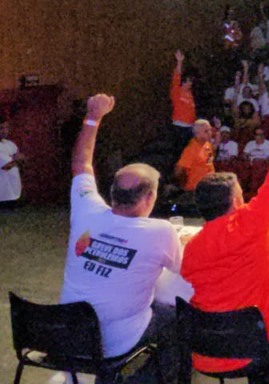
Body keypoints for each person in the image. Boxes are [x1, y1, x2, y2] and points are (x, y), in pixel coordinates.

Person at [181, 98, 269, 374]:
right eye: (241, 193)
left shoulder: (192, 247)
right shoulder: (252, 222)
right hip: (252, 349)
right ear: (234, 201)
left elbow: (229, 271)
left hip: (207, 350)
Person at [59, 94, 181, 383]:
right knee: (176, 318)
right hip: (112, 346)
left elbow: (81, 164)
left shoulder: (86, 208)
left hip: (64, 336)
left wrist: (93, 117)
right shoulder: (161, 232)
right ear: (150, 198)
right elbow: (186, 269)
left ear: (111, 192)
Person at [174, 119, 220, 193]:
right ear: (197, 134)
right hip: (195, 190)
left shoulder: (207, 144)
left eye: (210, 130)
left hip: (209, 187)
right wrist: (184, 186)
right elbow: (179, 170)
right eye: (206, 131)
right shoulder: (191, 149)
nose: (210, 133)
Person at [170, 50, 197, 152]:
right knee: (178, 151)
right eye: (188, 82)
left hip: (189, 127)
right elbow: (177, 75)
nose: (190, 84)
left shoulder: (191, 95)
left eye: (191, 82)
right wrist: (179, 62)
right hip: (179, 126)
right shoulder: (177, 91)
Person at [0, 119, 23, 204]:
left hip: (14, 191)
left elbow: (22, 159)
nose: (4, 131)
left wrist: (16, 159)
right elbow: (6, 166)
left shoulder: (10, 144)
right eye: (1, 128)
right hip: (2, 194)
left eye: (7, 128)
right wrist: (16, 159)